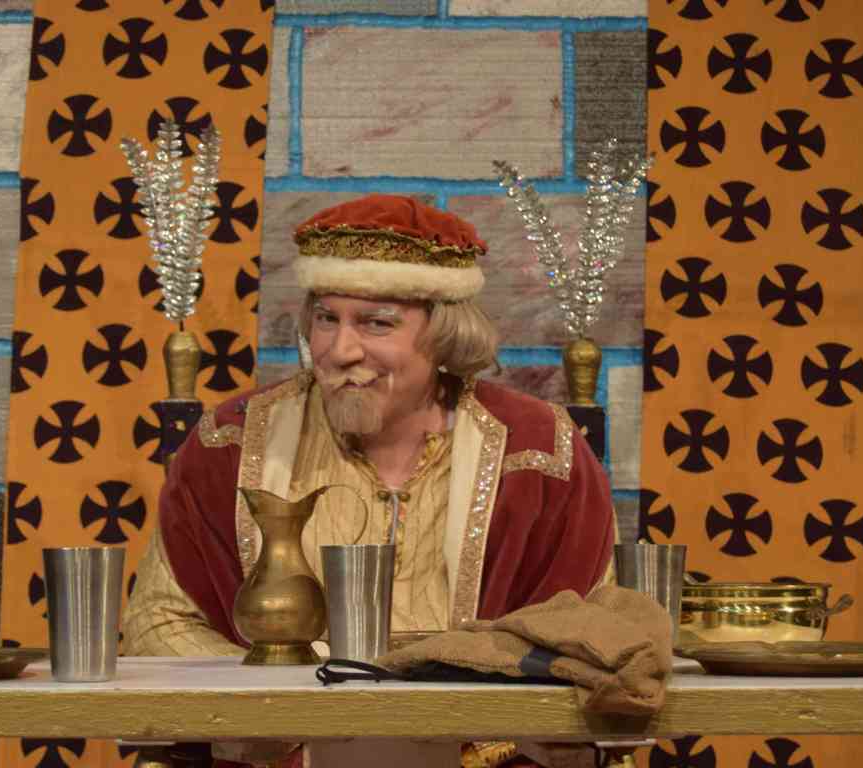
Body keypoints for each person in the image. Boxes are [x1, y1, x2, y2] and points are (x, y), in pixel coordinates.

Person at [122, 194, 620, 768]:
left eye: (377, 323)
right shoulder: (229, 446)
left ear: (445, 334)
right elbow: (159, 624)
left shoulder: (539, 453)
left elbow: (592, 634)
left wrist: (478, 731)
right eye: (325, 318)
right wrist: (281, 717)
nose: (340, 350)